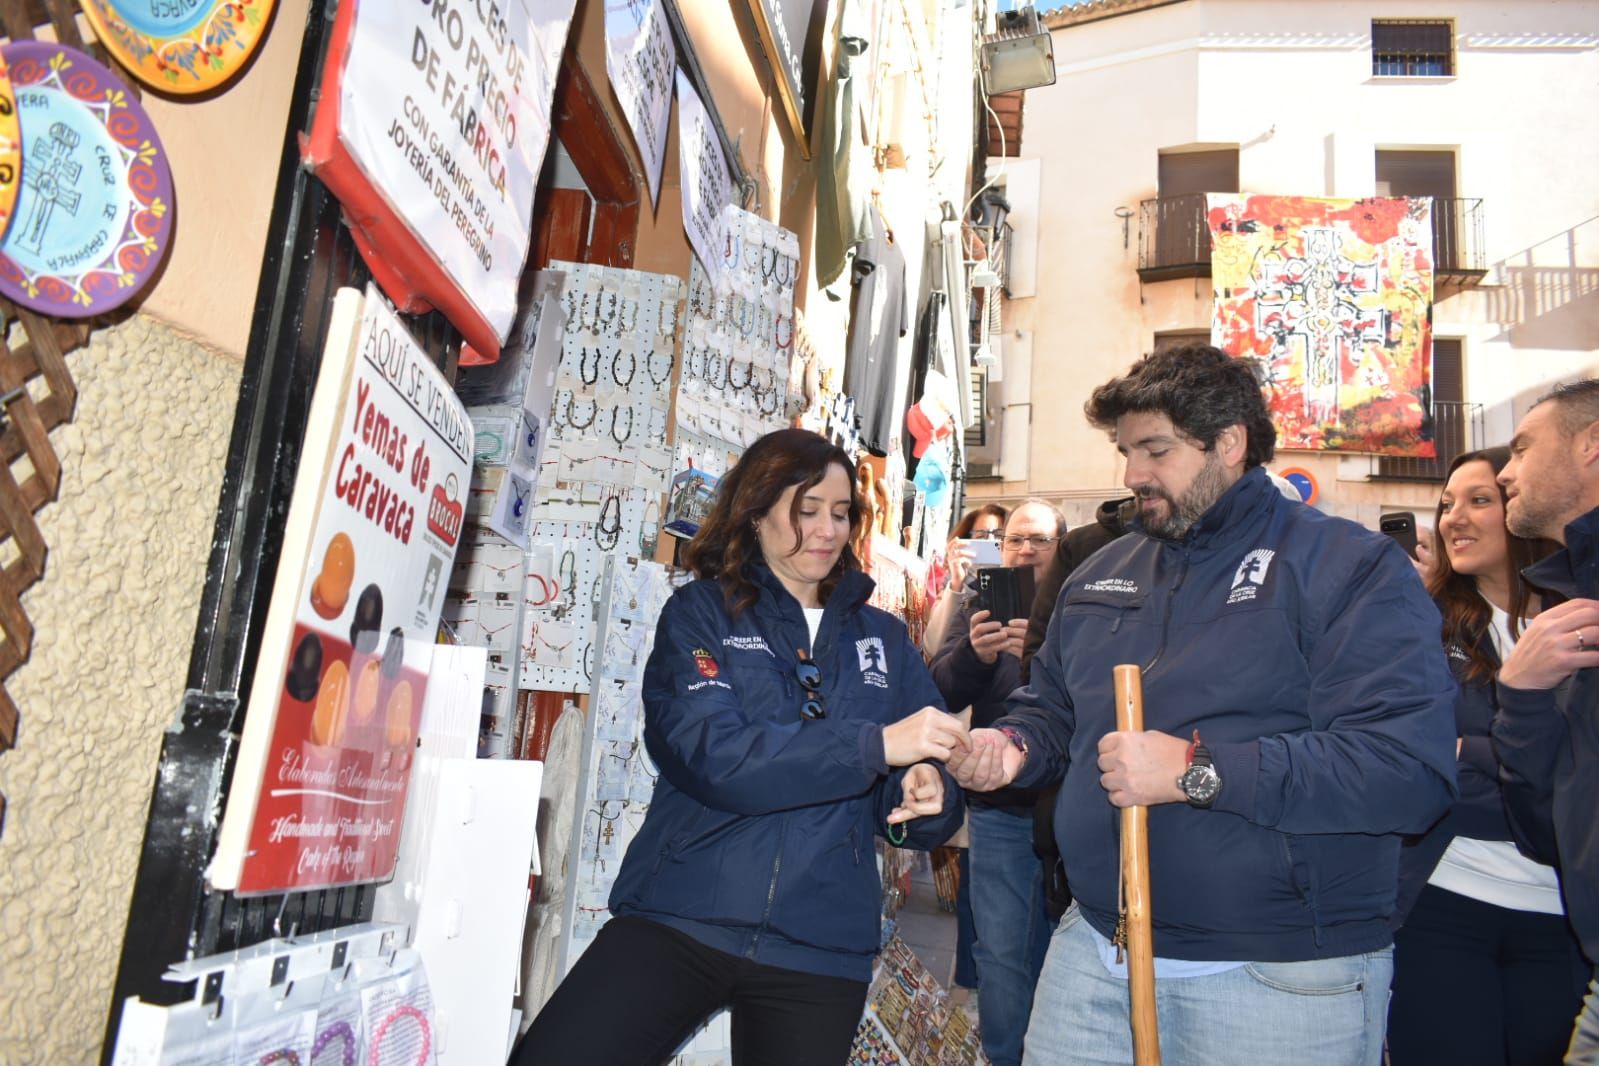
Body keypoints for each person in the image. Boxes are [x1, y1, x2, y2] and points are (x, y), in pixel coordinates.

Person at [949, 344, 1458, 1066]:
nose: (1132, 474)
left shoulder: (1348, 567)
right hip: (1094, 950)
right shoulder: (1099, 572)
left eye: (1154, 450)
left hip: (1276, 976)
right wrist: (1010, 749)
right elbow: (1052, 712)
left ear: (1228, 443)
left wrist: (1197, 770)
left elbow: (1407, 771)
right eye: (1125, 451)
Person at [515, 428, 968, 1066]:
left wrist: (926, 797)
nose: (827, 530)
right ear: (755, 514)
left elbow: (923, 795)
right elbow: (713, 755)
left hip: (822, 942)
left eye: (840, 514)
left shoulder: (884, 640)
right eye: (805, 510)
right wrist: (875, 746)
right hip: (684, 911)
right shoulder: (704, 614)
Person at [1388, 447, 1586, 1065]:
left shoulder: (1580, 621)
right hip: (1442, 906)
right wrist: (1534, 770)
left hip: (1567, 920)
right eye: (1446, 504)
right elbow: (1409, 763)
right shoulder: (1420, 622)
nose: (1454, 519)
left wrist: (1468, 749)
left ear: (1524, 510)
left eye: (1479, 500)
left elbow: (1584, 784)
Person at [930, 498, 1066, 1066]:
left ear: (1063, 546)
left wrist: (1032, 657)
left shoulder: (1079, 601)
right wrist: (976, 655)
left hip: (1062, 810)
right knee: (1003, 954)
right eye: (1015, 540)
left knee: (1063, 951)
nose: (1026, 550)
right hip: (999, 808)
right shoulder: (982, 599)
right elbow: (939, 690)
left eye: (1039, 539)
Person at [1493, 379, 1599, 1064]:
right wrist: (1522, 693)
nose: (1505, 471)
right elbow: (1543, 827)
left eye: (1522, 448)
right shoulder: (1565, 604)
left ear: (1590, 447)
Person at [923, 503, 1010, 656]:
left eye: (998, 535)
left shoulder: (1018, 583)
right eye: (981, 535)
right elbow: (933, 647)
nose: (989, 541)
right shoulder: (953, 584)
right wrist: (957, 583)